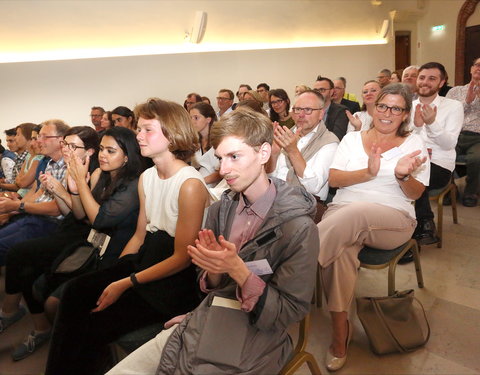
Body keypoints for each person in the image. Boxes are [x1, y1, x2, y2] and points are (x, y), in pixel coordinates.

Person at [106, 107, 319, 375]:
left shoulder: (298, 227)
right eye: (220, 158)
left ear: (264, 153)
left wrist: (238, 270)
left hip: (262, 331)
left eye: (234, 156)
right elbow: (209, 286)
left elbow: (288, 312)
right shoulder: (222, 208)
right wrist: (214, 272)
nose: (224, 169)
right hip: (213, 314)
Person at [45, 98, 210, 375]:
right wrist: (114, 274)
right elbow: (139, 236)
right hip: (145, 259)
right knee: (76, 291)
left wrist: (124, 283)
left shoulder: (190, 184)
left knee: (94, 323)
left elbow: (182, 258)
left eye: (147, 130)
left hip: (172, 281)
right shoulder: (148, 177)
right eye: (139, 129)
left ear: (172, 135)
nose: (138, 135)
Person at [318, 83, 430, 371]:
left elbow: (416, 194)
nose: (387, 113)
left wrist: (403, 176)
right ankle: (340, 336)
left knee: (355, 213)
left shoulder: (413, 144)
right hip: (343, 216)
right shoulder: (351, 140)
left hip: (393, 220)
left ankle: (294, 264)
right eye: (383, 105)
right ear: (373, 107)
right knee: (341, 254)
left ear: (405, 114)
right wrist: (368, 173)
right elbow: (334, 180)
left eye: (396, 108)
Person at [0, 126, 103, 360]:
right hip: (69, 225)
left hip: (80, 233)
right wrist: (59, 191)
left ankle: (11, 312)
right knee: (24, 267)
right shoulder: (64, 165)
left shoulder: (94, 171)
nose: (66, 150)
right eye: (65, 145)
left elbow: (85, 217)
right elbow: (69, 211)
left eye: (71, 146)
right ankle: (37, 326)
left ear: (89, 152)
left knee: (18, 255)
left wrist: (63, 191)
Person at [411, 62, 464, 245]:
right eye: (422, 77)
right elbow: (403, 142)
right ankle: (417, 226)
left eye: (432, 79)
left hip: (439, 165)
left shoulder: (453, 106)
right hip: (413, 162)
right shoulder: (409, 107)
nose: (425, 82)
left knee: (411, 180)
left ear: (441, 83)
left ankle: (420, 226)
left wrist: (432, 123)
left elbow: (449, 144)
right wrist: (417, 127)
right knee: (398, 177)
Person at [0, 119, 70, 257]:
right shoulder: (50, 162)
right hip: (35, 217)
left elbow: (56, 209)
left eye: (45, 137)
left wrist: (16, 206)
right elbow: (37, 192)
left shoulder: (68, 165)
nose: (38, 141)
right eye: (38, 137)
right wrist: (12, 208)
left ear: (61, 140)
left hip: (51, 223)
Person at [268, 90, 338, 221]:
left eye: (308, 110)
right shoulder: (286, 134)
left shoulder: (329, 142)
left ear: (321, 114)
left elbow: (314, 187)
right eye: (297, 109)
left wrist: (293, 151)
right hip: (273, 198)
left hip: (305, 206)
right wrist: (274, 154)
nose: (301, 114)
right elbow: (270, 176)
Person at [446, 57, 480, 206]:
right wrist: (466, 102)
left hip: (478, 137)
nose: (479, 68)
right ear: (471, 69)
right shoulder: (455, 91)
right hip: (455, 134)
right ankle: (447, 189)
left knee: (477, 159)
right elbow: (447, 114)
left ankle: (470, 192)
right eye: (477, 65)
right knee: (443, 154)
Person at [189, 102, 221, 186]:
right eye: (190, 118)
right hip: (198, 183)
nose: (192, 121)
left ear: (208, 119)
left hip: (214, 189)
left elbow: (220, 173)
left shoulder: (219, 141)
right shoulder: (194, 141)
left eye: (196, 118)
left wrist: (200, 181)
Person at [0, 123, 35, 192]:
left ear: (28, 137)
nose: (15, 138)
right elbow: (17, 182)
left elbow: (21, 184)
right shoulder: (21, 157)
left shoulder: (33, 157)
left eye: (18, 135)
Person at [15, 124, 44, 197]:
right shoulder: (29, 155)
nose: (15, 138)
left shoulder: (40, 157)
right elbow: (18, 181)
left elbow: (22, 183)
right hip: (22, 196)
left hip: (25, 198)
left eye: (18, 135)